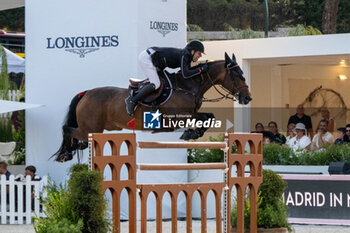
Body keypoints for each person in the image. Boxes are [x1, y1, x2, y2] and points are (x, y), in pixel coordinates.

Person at [125, 40, 208, 115]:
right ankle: (132, 100)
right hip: (147, 58)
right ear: (192, 51)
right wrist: (200, 70)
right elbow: (185, 74)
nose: (200, 56)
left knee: (161, 82)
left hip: (154, 60)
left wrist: (199, 69)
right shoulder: (185, 56)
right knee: (156, 84)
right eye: (199, 53)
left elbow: (187, 72)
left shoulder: (186, 56)